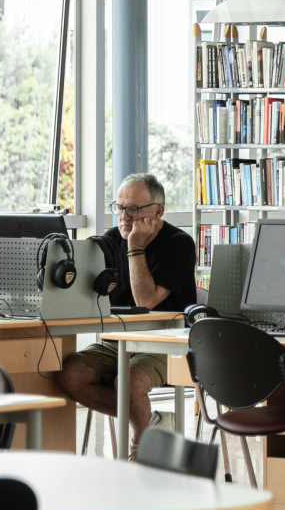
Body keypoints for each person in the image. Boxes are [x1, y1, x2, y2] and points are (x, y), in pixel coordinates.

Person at [57, 173, 198, 460]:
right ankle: (151, 423)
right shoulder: (109, 241)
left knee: (129, 382)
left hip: (169, 342)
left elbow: (145, 301)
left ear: (158, 211)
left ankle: (140, 448)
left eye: (133, 209)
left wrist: (135, 247)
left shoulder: (179, 243)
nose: (124, 217)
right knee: (70, 375)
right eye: (119, 208)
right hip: (121, 339)